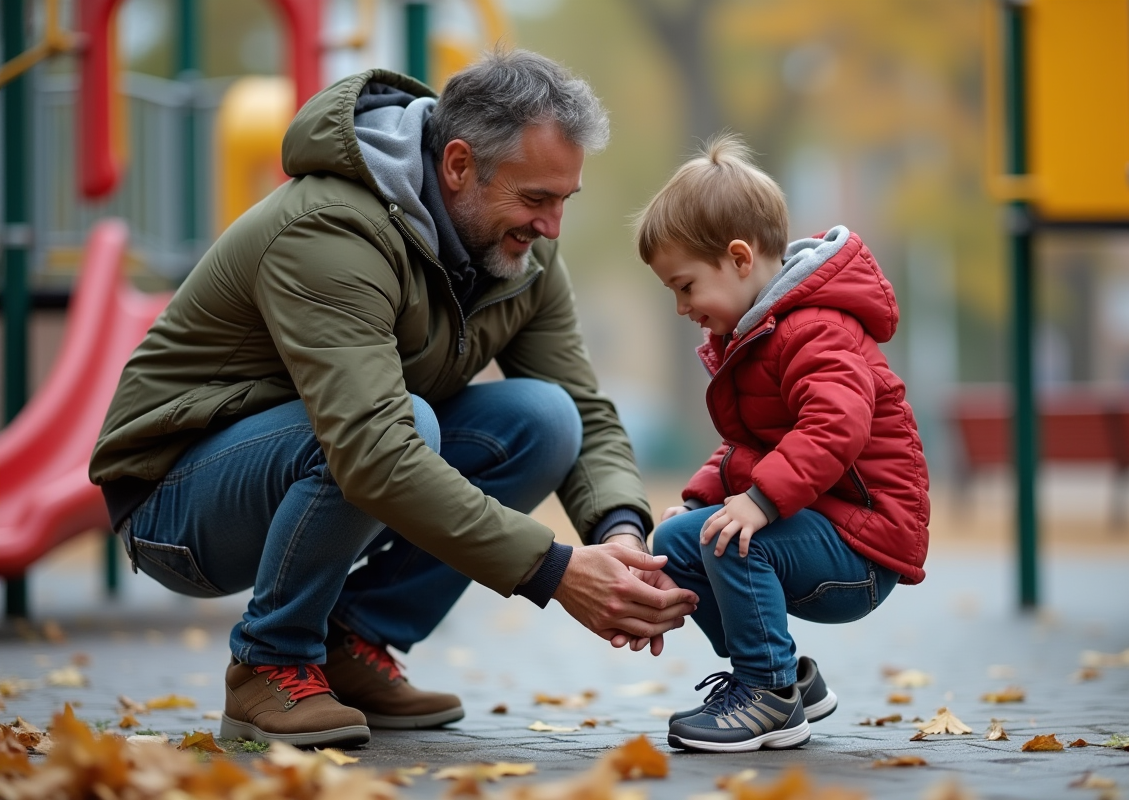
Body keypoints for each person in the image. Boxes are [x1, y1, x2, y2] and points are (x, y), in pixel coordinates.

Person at [88, 49, 698, 749]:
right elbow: (373, 451)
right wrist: (555, 572)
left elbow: (583, 410)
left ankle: (352, 642)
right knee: (402, 426)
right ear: (460, 165)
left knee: (543, 420)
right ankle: (269, 663)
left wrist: (619, 536)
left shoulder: (521, 253)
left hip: (328, 454)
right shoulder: (332, 229)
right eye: (536, 200)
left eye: (564, 200)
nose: (553, 226)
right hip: (177, 501)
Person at [634, 135, 930, 753]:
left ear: (739, 258)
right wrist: (697, 505)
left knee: (738, 541)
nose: (681, 306)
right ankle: (790, 680)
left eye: (686, 286)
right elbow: (748, 445)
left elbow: (833, 429)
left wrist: (760, 502)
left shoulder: (817, 329)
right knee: (684, 541)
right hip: (814, 521)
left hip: (864, 545)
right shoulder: (757, 335)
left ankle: (766, 693)